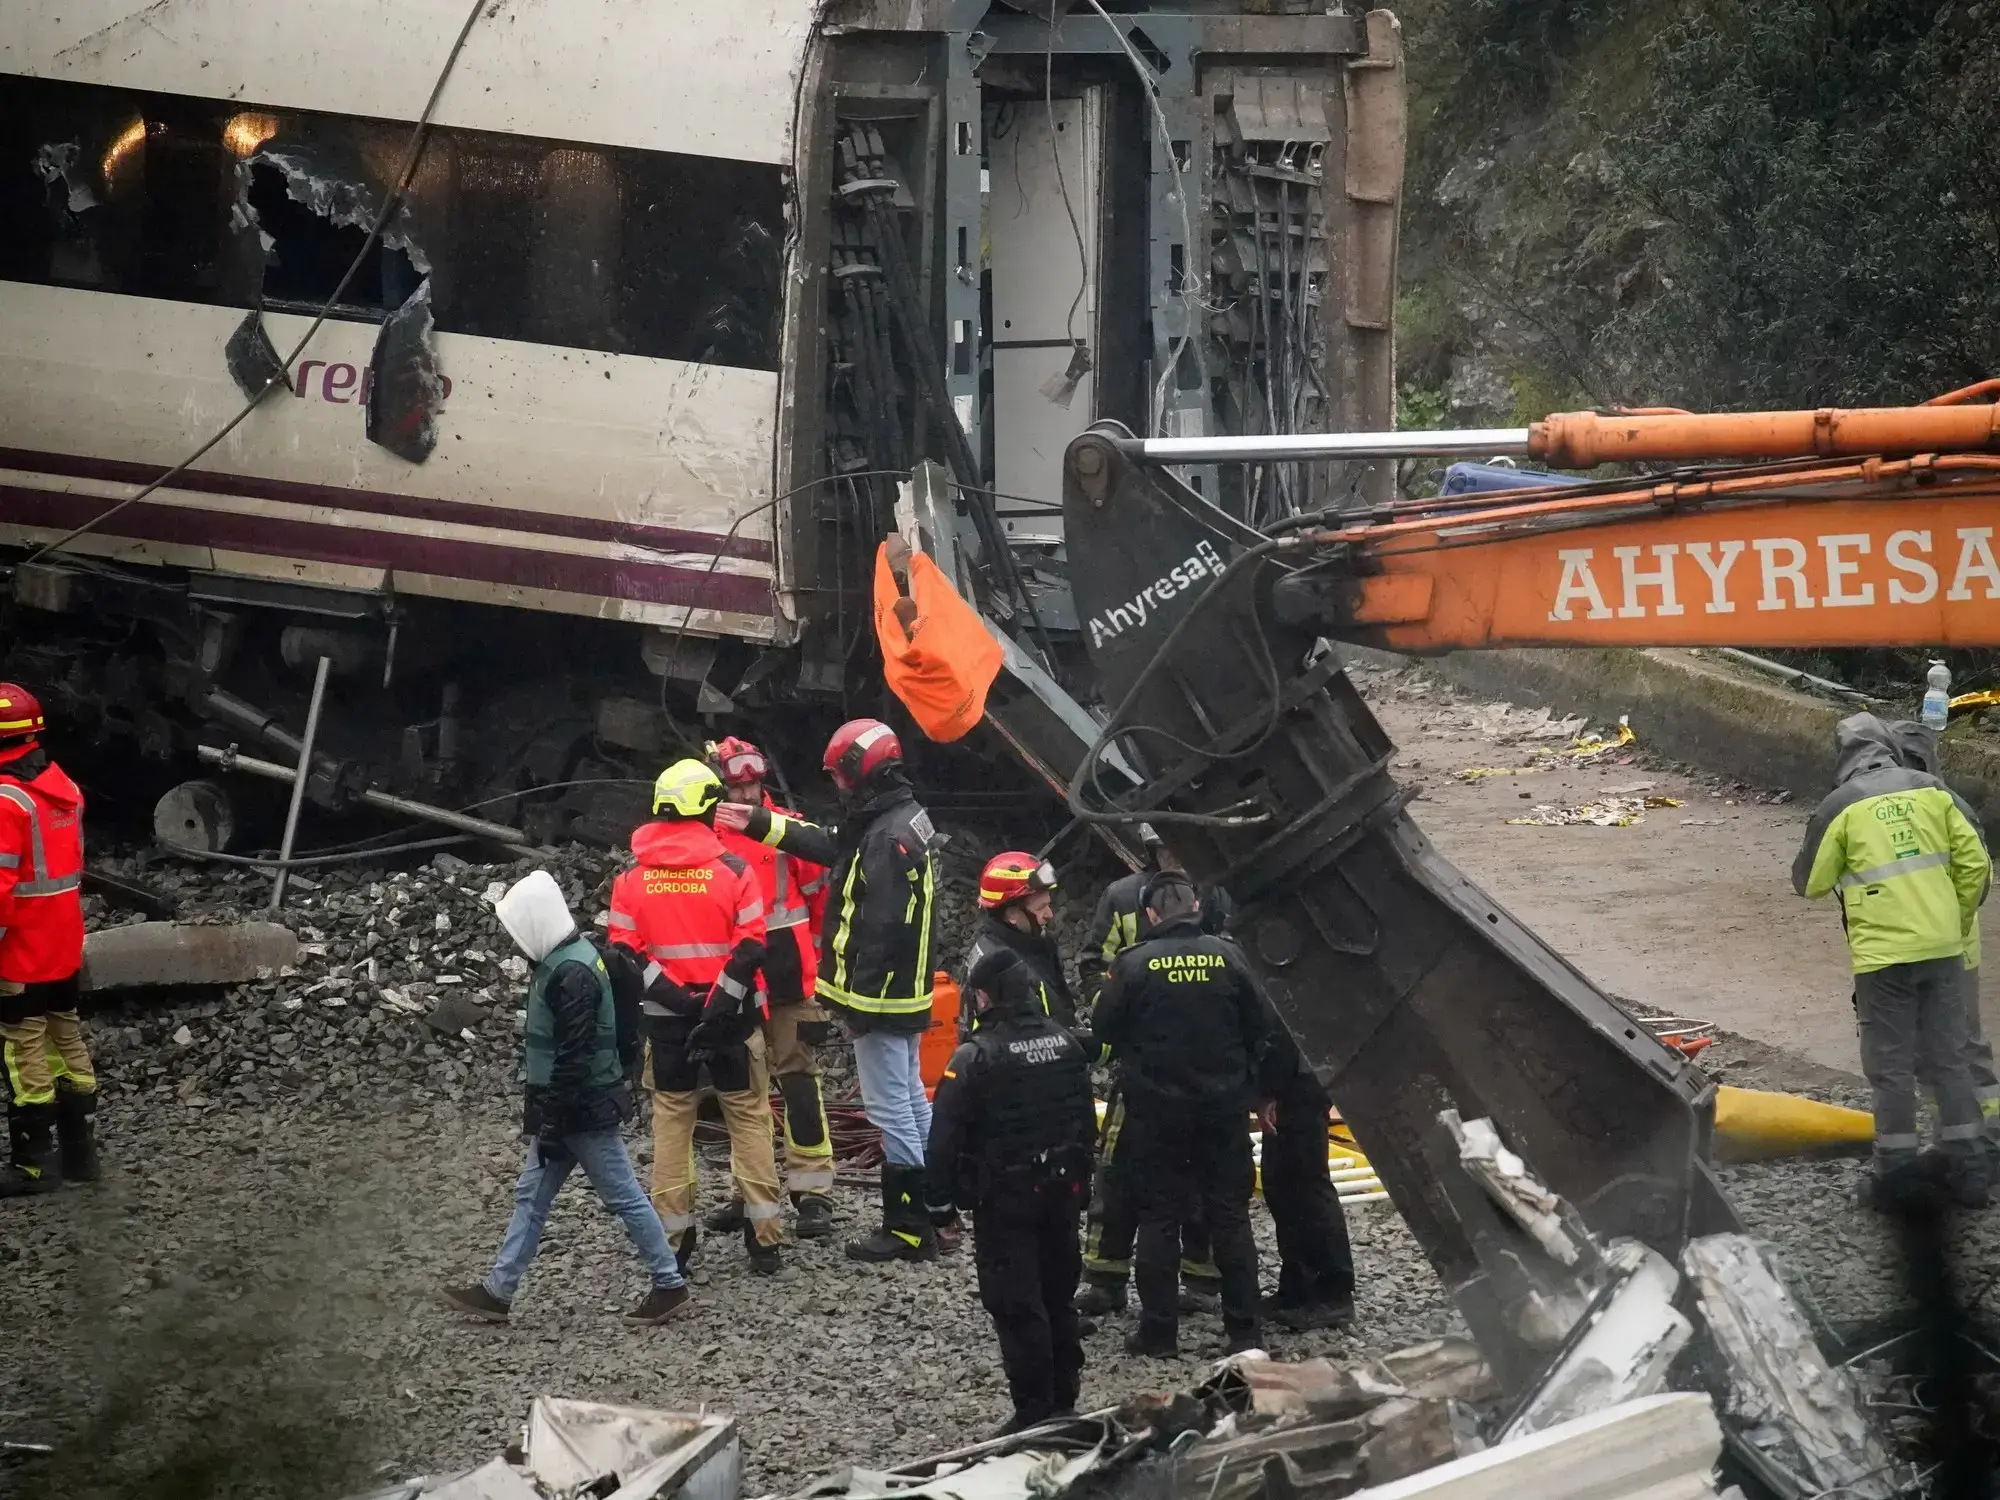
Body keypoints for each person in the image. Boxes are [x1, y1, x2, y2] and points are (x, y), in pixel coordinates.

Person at [716, 718, 942, 1263]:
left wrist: (853, 1005)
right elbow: (831, 845)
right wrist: (762, 822)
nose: (837, 785)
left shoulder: (887, 837)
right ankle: (936, 1207)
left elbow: (881, 929)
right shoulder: (895, 819)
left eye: (840, 774)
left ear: (861, 772)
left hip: (883, 999)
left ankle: (909, 1227)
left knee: (891, 1109)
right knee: (911, 1099)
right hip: (903, 992)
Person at [441, 869, 688, 1324]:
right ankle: (498, 1290)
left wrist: (553, 1121)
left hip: (581, 1109)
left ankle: (669, 1283)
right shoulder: (570, 960)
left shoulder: (569, 972)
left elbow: (573, 1055)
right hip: (573, 1105)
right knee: (532, 1197)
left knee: (623, 1197)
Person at [1793, 712, 1992, 1206]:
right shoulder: (1932, 790)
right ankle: (1972, 1174)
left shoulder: (1841, 805)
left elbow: (1810, 883)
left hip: (1884, 962)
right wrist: (1954, 918)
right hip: (1945, 951)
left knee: (1892, 1069)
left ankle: (1897, 1177)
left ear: (1842, 756)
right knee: (1951, 1062)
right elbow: (1976, 865)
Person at [609, 759, 784, 1273]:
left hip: (666, 1023)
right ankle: (765, 1239)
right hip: (732, 1022)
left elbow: (624, 953)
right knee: (749, 1120)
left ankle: (674, 1243)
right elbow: (752, 946)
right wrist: (716, 1004)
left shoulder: (631, 879)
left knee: (672, 1124)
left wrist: (682, 1002)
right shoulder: (734, 871)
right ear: (706, 808)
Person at [1092, 872, 1268, 1355]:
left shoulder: (1133, 964)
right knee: (1230, 1219)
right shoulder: (1231, 956)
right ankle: (1245, 1332)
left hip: (1156, 1116)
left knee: (1159, 1219)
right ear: (1196, 906)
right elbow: (1262, 1026)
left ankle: (1158, 1332)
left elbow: (1102, 1025)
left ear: (1151, 915)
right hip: (1223, 1111)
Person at [925, 948, 1097, 1435]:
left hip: (1006, 1199)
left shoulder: (974, 1058)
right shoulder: (1065, 1044)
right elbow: (1086, 1119)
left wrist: (939, 1206)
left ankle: (1034, 1412)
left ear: (982, 997)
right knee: (1059, 1295)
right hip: (1064, 1189)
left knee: (1016, 1303)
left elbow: (944, 1139)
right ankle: (1064, 1399)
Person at [1074, 825, 1221, 1318]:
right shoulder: (1123, 897)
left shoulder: (1216, 893)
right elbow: (1093, 962)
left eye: (1180, 845)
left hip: (1204, 1063)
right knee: (1116, 1171)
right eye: (1165, 848)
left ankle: (1202, 1282)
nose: (1174, 856)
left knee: (1204, 1178)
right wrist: (1118, 1016)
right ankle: (1104, 1277)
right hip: (1139, 1060)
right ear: (1149, 852)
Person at [705, 736, 839, 1241]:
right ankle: (751, 1191)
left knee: (799, 1081)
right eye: (736, 786)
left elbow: (820, 897)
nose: (746, 795)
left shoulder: (789, 830)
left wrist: (818, 962)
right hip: (739, 978)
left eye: (753, 783)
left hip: (789, 976)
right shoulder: (706, 835)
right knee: (743, 1090)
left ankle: (813, 1195)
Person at [0, 684, 95, 1197]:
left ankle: (32, 1166)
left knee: (22, 1049)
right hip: (63, 940)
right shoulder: (65, 788)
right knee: (66, 1035)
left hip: (20, 948)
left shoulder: (4, 801)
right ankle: (81, 1155)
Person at [1889, 720, 1997, 1160]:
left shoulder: (1911, 805)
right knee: (1963, 1046)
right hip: (1954, 945)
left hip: (1934, 948)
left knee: (1941, 1050)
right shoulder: (1948, 803)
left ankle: (1966, 1142)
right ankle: (1977, 1137)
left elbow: (1975, 874)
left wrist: (1947, 921)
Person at [1255, 1022, 1355, 1329]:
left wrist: (1268, 1090)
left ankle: (1332, 1293)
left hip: (1298, 1082)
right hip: (1301, 1077)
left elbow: (1282, 1032)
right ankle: (1299, 1286)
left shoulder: (1279, 978)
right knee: (1283, 1185)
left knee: (1306, 1187)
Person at [960, 852, 1076, 1035]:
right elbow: (1032, 1040)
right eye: (1040, 908)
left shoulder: (1028, 944)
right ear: (1012, 915)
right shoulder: (1002, 968)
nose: (1050, 915)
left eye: (1048, 905)